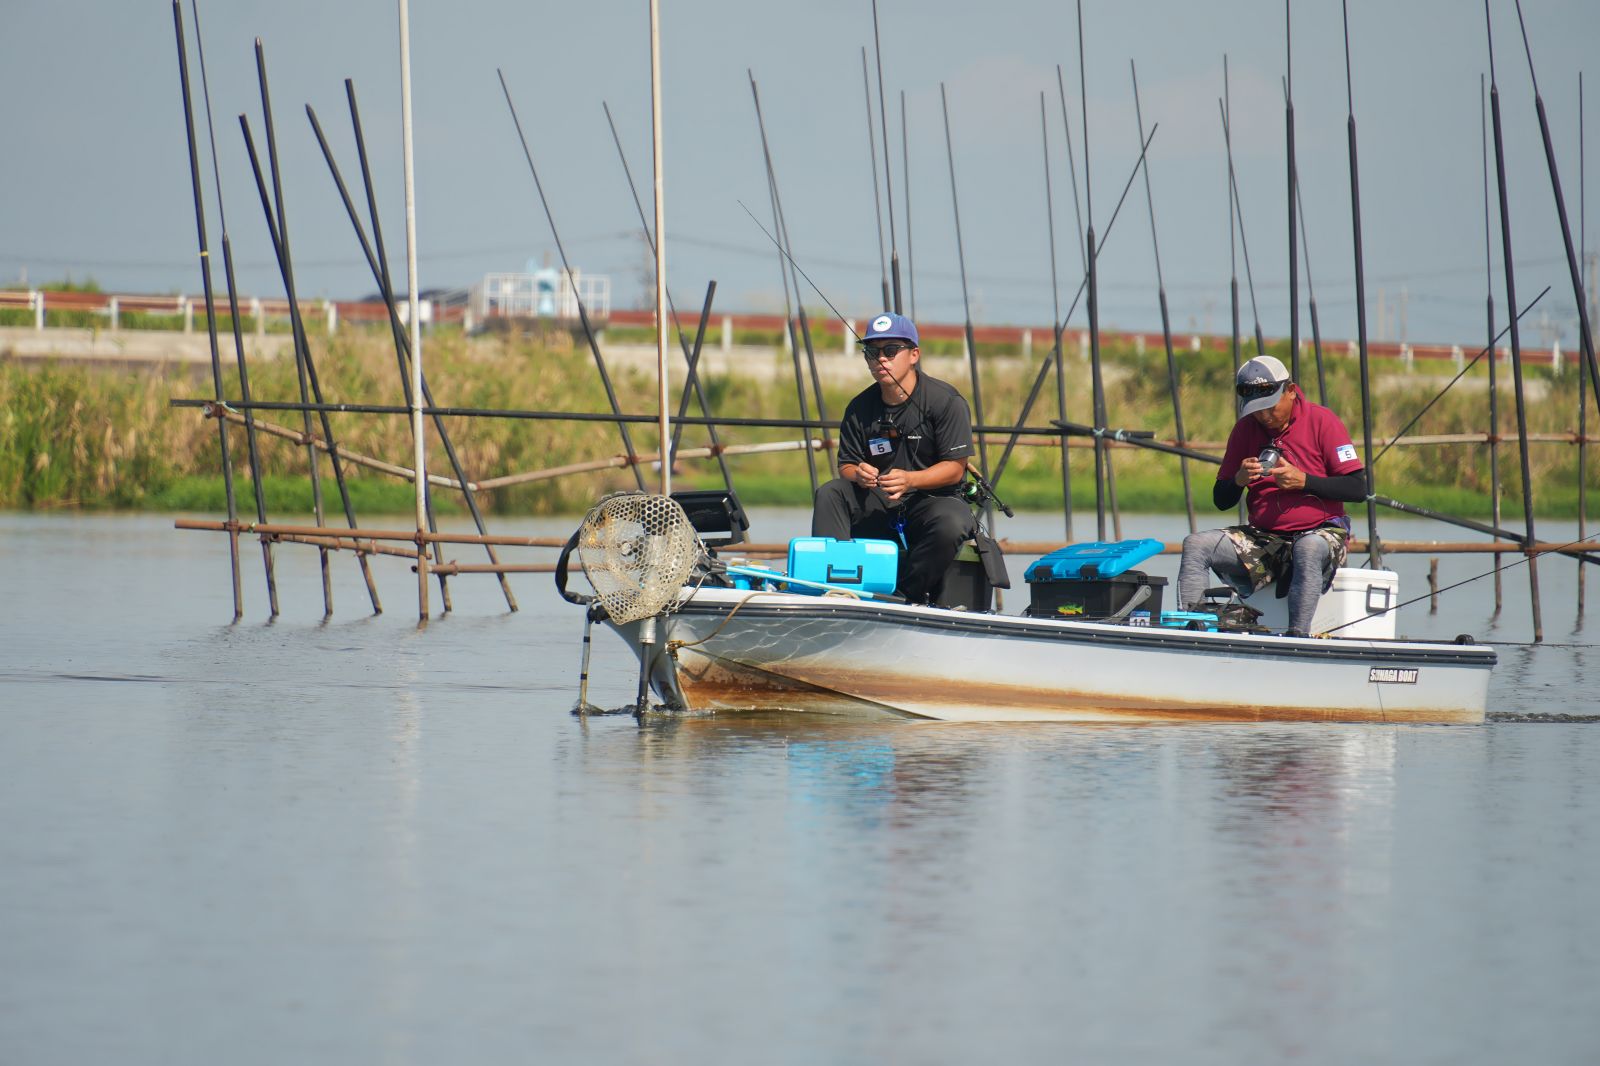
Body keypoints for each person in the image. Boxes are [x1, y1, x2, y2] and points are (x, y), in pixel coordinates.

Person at [1177, 354, 1367, 636]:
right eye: (1256, 409)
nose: (1264, 416)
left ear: (1290, 391)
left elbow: (1358, 488)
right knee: (1196, 544)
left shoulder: (1323, 421)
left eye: (1269, 407)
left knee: (1308, 547)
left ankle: (1297, 637)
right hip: (1264, 537)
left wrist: (1304, 481)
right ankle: (1191, 631)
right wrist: (1238, 480)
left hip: (1321, 532)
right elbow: (1221, 500)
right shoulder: (1245, 429)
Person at [812, 312, 976, 604]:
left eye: (890, 351)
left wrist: (911, 479)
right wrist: (858, 474)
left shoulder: (946, 401)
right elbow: (846, 465)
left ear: (914, 355)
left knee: (953, 520)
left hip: (930, 501)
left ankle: (904, 597)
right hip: (879, 502)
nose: (881, 360)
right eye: (872, 352)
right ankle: (833, 589)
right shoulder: (859, 407)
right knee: (831, 493)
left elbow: (955, 468)